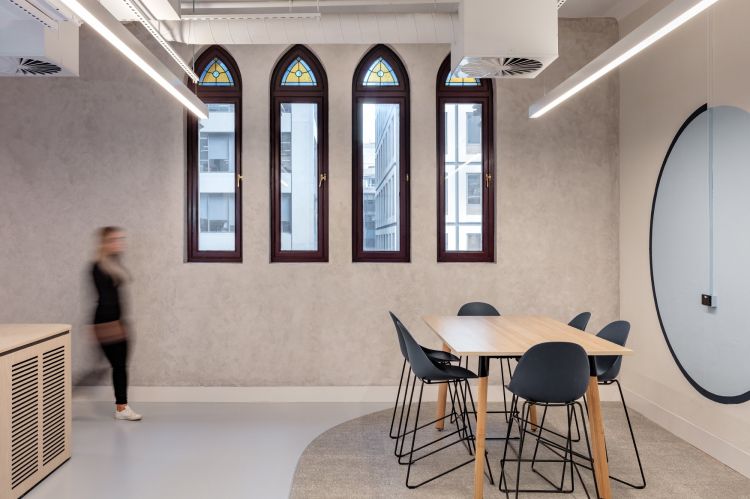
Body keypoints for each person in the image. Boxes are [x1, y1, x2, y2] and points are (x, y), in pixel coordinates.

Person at [91, 226, 142, 421]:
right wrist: (113, 326)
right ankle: (121, 408)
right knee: (115, 366)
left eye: (120, 239)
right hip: (107, 323)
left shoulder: (112, 264)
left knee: (115, 366)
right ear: (105, 243)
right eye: (115, 239)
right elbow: (106, 300)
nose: (120, 243)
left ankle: (121, 407)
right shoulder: (98, 266)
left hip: (117, 322)